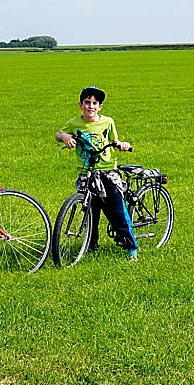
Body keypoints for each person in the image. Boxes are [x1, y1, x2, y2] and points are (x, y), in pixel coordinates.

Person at [55, 86, 140, 261]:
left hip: (106, 172)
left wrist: (121, 144)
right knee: (90, 209)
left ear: (100, 106)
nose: (91, 106)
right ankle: (91, 243)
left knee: (117, 210)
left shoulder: (107, 122)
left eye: (95, 103)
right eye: (87, 102)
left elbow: (114, 140)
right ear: (80, 105)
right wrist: (65, 137)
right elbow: (59, 133)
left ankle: (131, 246)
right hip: (86, 173)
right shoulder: (74, 123)